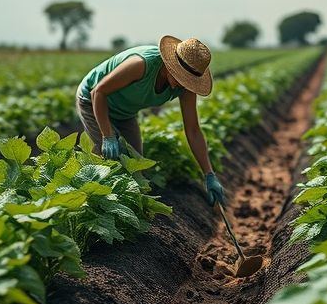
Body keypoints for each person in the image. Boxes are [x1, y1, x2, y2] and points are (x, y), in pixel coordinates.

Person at [75, 35, 226, 206]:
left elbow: (193, 130)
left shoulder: (186, 88)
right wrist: (107, 135)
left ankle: (128, 210)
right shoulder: (141, 65)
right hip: (93, 101)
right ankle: (86, 202)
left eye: (188, 81)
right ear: (170, 66)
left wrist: (209, 174)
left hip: (126, 112)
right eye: (181, 78)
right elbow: (98, 92)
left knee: (137, 168)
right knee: (115, 162)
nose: (183, 85)